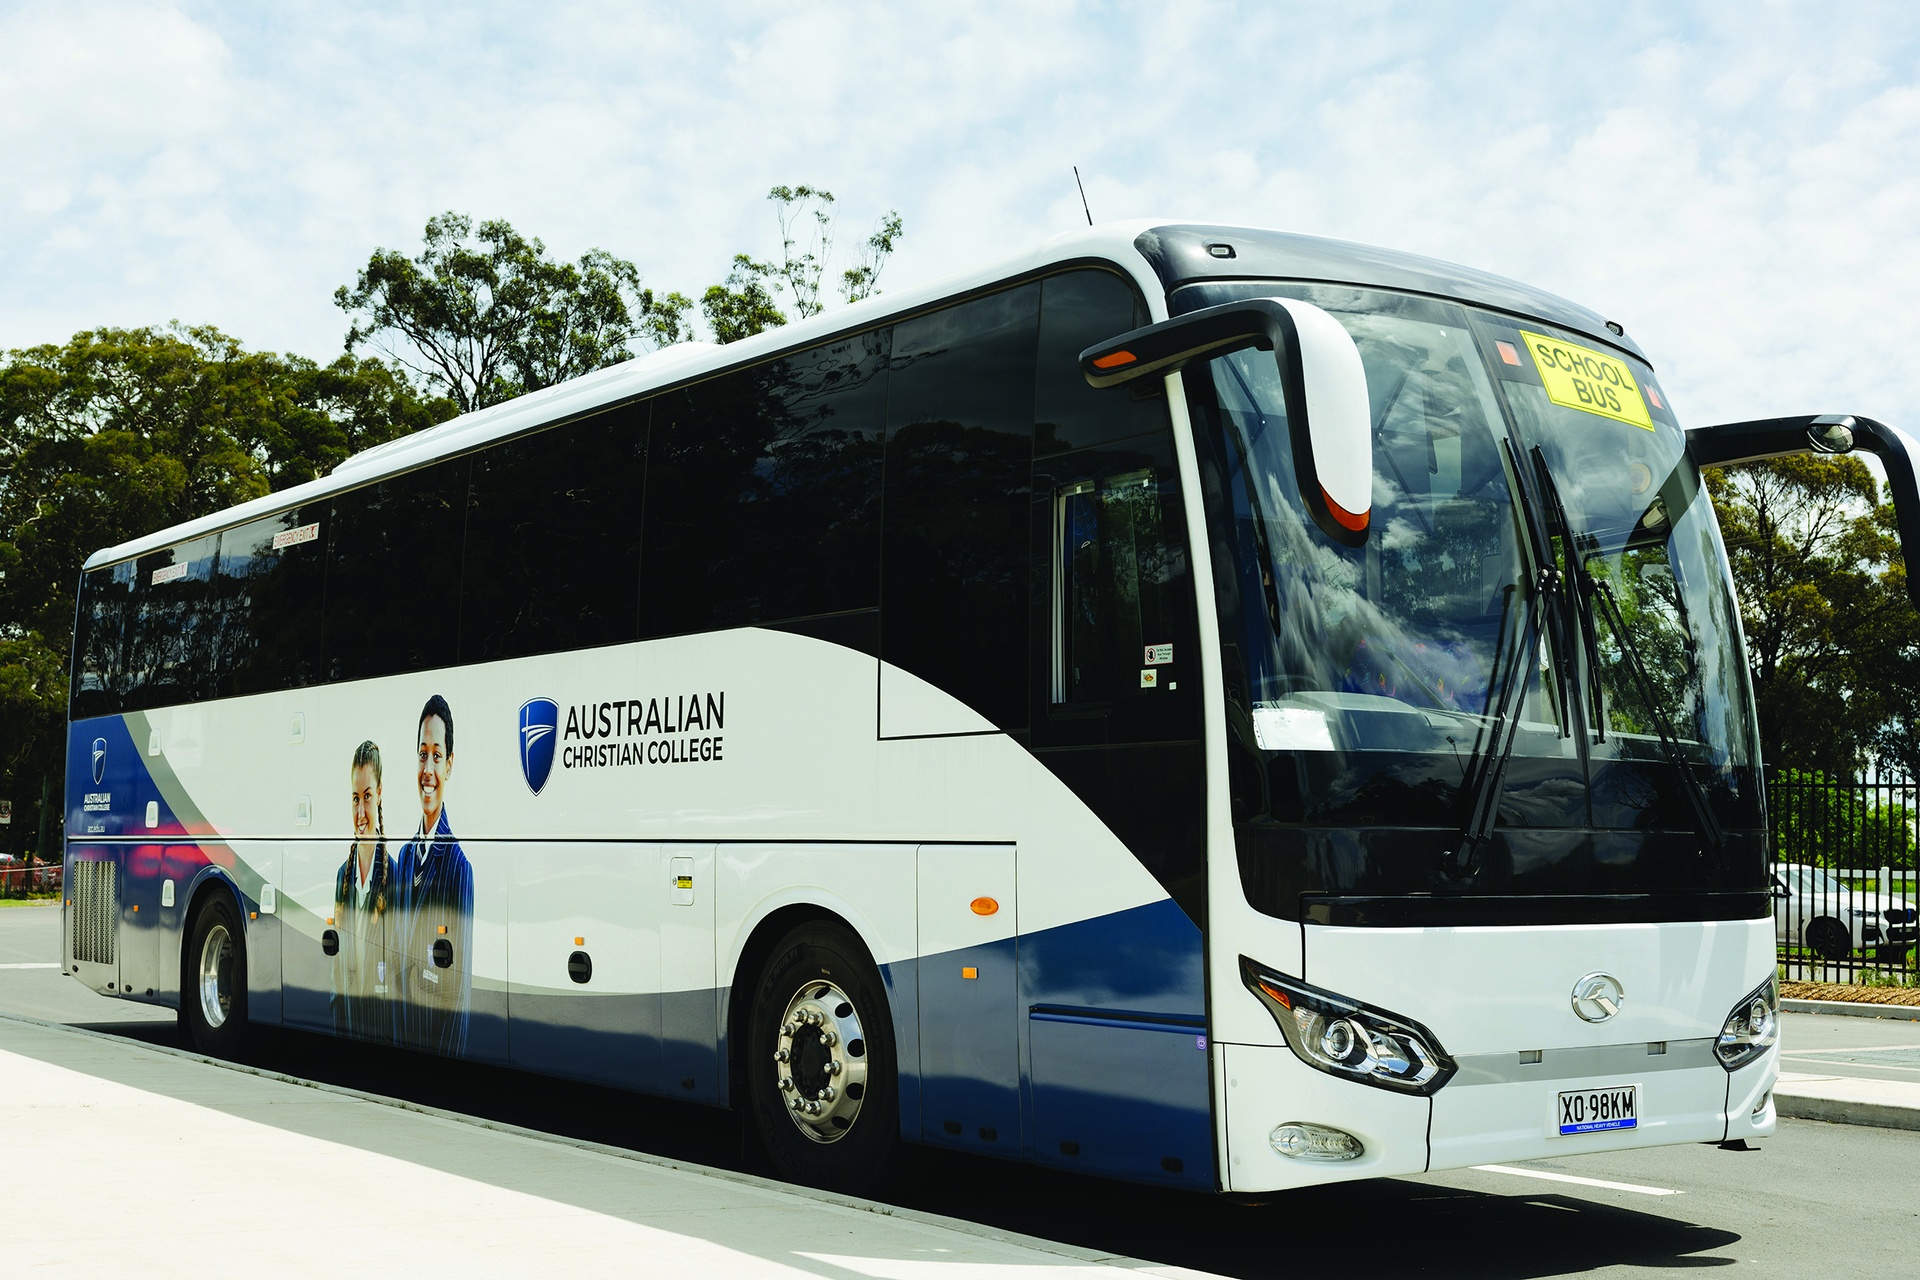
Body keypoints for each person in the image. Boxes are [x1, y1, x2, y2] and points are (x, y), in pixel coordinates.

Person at [391, 694, 473, 1056]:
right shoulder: (405, 856)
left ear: (450, 765)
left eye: (437, 756)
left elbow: (459, 997)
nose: (428, 769)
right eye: (422, 754)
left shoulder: (459, 868)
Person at [330, 740, 393, 1040]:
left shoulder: (396, 876)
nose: (360, 812)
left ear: (379, 793)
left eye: (367, 796)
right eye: (355, 798)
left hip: (382, 1036)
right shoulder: (343, 877)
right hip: (348, 1037)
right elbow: (336, 979)